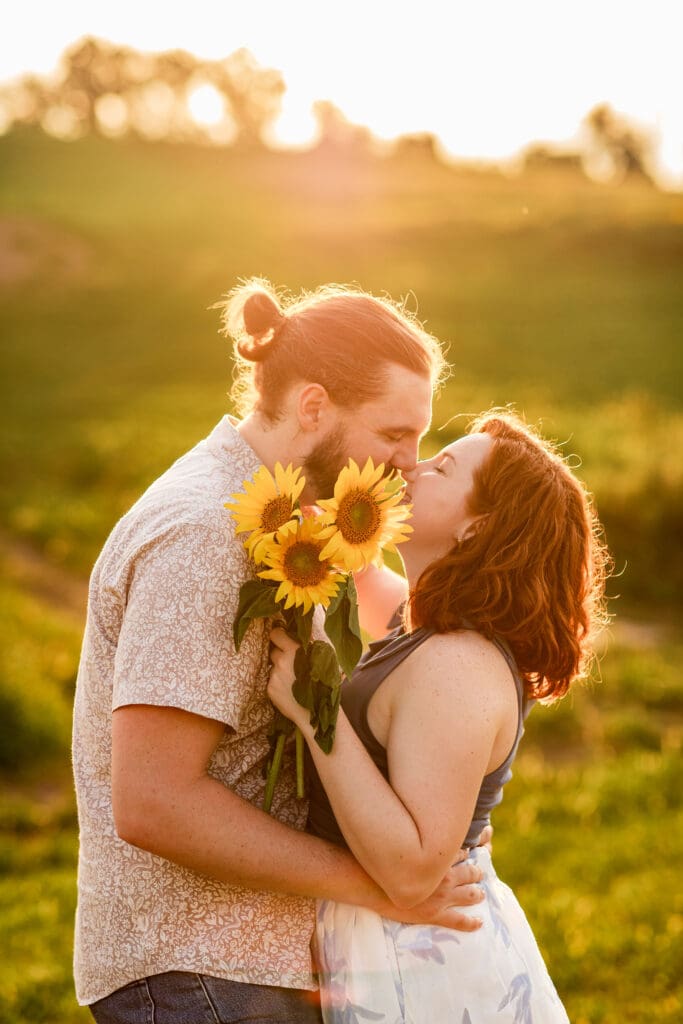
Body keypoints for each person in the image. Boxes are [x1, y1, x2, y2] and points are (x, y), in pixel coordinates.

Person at [72, 279, 488, 1024]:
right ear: (313, 406)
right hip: (199, 968)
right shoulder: (203, 532)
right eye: (393, 433)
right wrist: (374, 884)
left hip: (241, 964)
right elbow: (153, 801)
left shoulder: (283, 520)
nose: (407, 463)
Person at [268, 410, 610, 1023]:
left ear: (476, 530)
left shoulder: (459, 664)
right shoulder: (423, 622)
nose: (413, 466)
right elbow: (352, 568)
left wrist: (316, 710)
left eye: (441, 466)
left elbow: (412, 870)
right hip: (390, 943)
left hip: (427, 966)